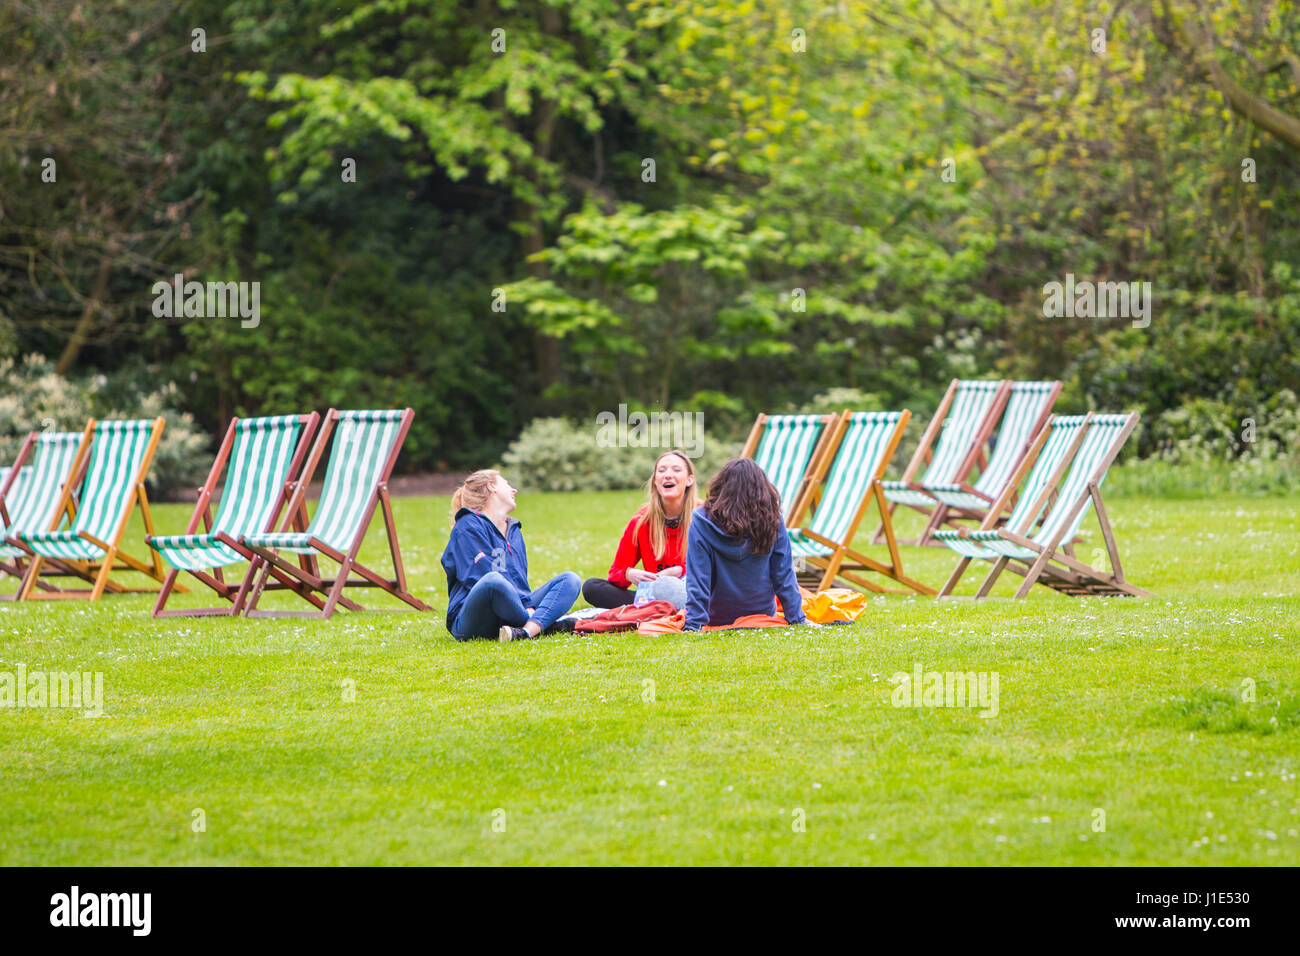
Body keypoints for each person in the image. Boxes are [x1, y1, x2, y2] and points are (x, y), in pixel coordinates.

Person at [441, 469, 581, 642]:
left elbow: (521, 584)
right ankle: (543, 623)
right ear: (492, 486)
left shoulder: (514, 530)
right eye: (506, 484)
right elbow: (478, 578)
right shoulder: (468, 526)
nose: (514, 490)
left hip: (515, 609)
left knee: (569, 580)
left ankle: (526, 631)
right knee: (494, 580)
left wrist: (527, 605)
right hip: (474, 620)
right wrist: (529, 610)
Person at [684, 458, 807, 631]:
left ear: (720, 486)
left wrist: (693, 625)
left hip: (716, 618)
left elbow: (698, 578)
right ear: (762, 489)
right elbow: (784, 574)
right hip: (761, 617)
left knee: (674, 584)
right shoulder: (772, 518)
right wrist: (797, 619)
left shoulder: (700, 520)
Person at [582, 450, 696, 610]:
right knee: (591, 587)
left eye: (676, 470)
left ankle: (661, 609)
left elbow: (716, 567)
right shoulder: (641, 520)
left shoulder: (703, 516)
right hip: (654, 595)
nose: (668, 475)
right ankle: (660, 608)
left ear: (689, 479)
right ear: (655, 481)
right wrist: (630, 574)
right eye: (662, 470)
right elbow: (616, 572)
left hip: (696, 593)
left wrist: (679, 571)